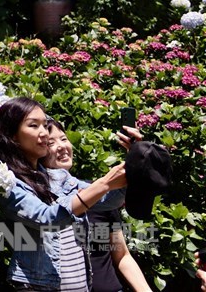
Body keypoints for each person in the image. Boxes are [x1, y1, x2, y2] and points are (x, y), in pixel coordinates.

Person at [0, 96, 127, 291]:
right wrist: (104, 183)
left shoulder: (58, 177)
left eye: (45, 126)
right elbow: (47, 218)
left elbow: (111, 199)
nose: (44, 133)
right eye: (33, 126)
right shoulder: (7, 183)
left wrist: (135, 158)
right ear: (12, 135)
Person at [44, 118, 152, 292]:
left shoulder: (100, 193)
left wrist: (137, 156)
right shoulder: (36, 200)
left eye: (63, 139)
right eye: (51, 142)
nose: (62, 146)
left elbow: (122, 255)